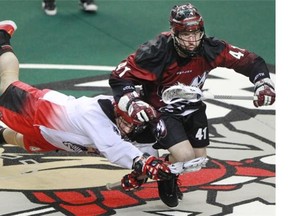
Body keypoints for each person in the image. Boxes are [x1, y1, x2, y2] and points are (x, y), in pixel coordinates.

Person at [108, 3, 276, 207]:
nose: (192, 40)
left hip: (193, 108)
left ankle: (161, 169)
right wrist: (133, 102)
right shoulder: (155, 51)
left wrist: (262, 83)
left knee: (197, 160)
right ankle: (166, 177)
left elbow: (251, 61)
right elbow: (118, 77)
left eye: (196, 33)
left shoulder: (210, 48)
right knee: (185, 155)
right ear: (174, 32)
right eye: (186, 34)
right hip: (163, 111)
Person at [0, 20, 173, 193]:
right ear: (118, 111)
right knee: (6, 85)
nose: (129, 127)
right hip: (41, 112)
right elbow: (116, 148)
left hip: (56, 137)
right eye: (126, 121)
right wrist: (145, 164)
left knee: (21, 141)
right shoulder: (95, 115)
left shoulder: (135, 119)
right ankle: (2, 38)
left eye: (134, 125)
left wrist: (140, 173)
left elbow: (144, 147)